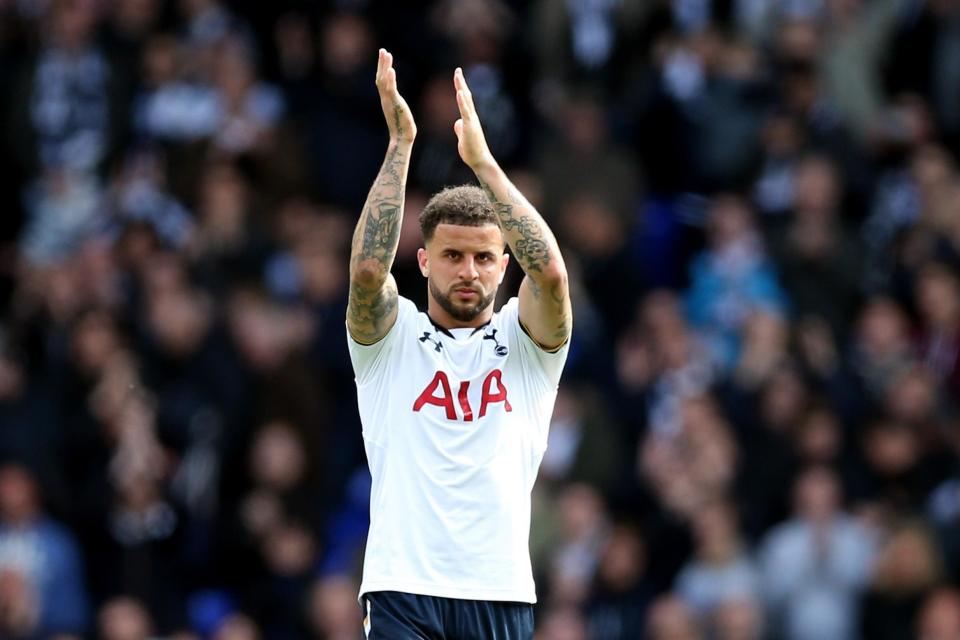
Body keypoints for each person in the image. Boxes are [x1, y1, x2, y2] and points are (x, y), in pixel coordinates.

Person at [345, 49, 572, 639]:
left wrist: (485, 164)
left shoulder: (526, 343)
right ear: (423, 261)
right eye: (451, 255)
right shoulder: (393, 340)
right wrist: (400, 146)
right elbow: (368, 273)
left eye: (483, 257)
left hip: (498, 590)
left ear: (503, 267)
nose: (467, 271)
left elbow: (549, 274)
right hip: (402, 587)